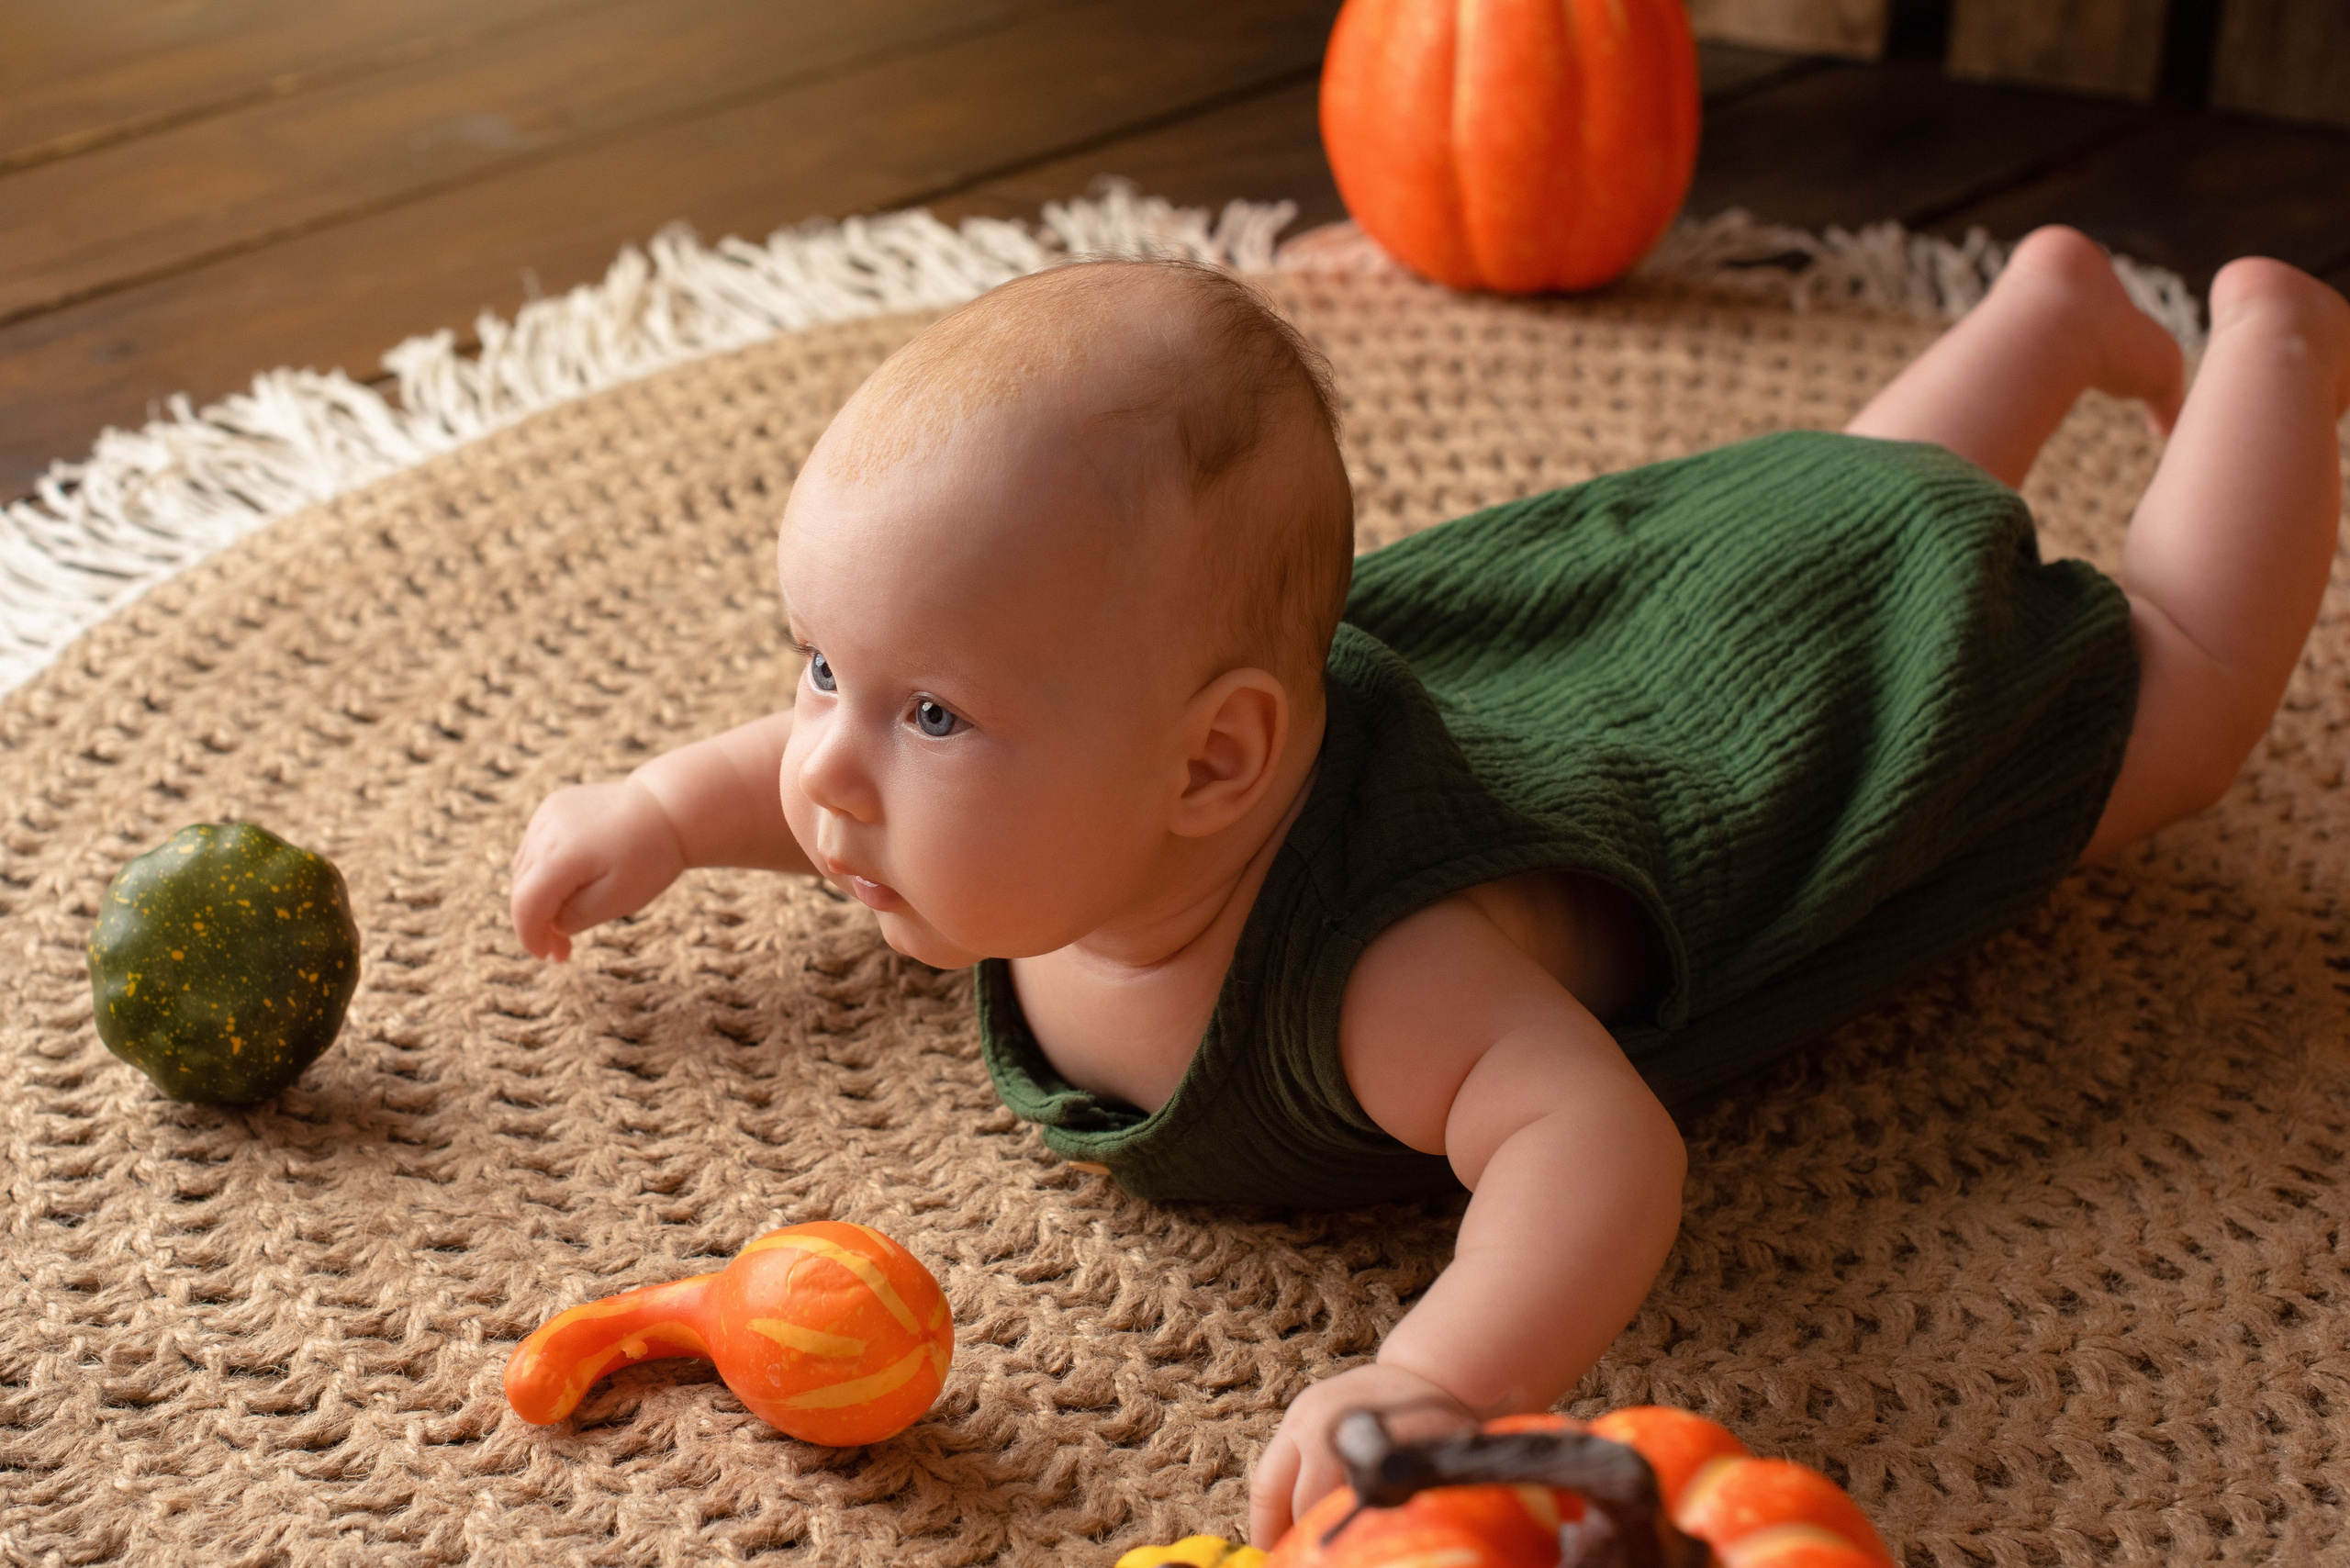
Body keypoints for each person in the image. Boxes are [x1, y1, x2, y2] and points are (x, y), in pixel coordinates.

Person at [509, 229, 2350, 1544]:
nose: (824, 763)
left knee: (2150, 702)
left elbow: (1598, 1147)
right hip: (1654, 612)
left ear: (1212, 761)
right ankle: (2041, 313)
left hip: (1777, 730)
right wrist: (667, 809)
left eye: (925, 713)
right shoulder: (1059, 787)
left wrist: (1440, 1371)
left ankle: (2272, 345)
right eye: (819, 668)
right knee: (1841, 497)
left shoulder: (1378, 968)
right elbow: (801, 776)